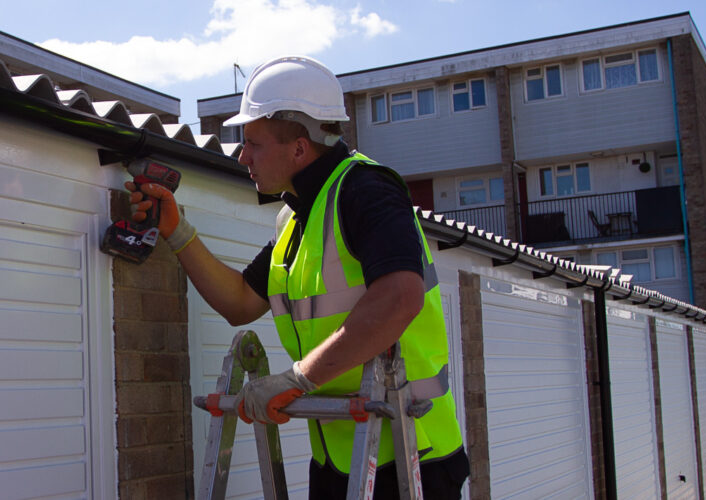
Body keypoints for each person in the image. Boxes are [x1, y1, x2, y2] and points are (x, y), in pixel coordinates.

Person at [127, 55, 468, 499]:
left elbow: (400, 297)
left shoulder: (366, 190)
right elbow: (238, 301)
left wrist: (299, 378)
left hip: (412, 457)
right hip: (341, 456)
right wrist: (177, 231)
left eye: (253, 143)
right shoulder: (297, 219)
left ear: (300, 147)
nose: (242, 155)